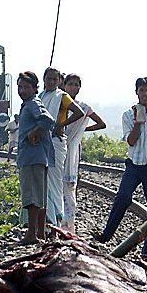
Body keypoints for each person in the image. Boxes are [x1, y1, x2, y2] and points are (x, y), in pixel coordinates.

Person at [96, 77, 147, 259]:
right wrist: (138, 122)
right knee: (122, 198)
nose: (145, 94)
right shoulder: (127, 115)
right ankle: (106, 236)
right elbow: (131, 141)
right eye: (141, 90)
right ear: (136, 92)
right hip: (134, 164)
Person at [39, 68, 85, 227]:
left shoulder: (62, 96)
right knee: (44, 182)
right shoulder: (41, 96)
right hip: (43, 142)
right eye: (48, 79)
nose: (51, 82)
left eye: (54, 79)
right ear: (44, 79)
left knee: (55, 182)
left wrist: (61, 125)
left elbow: (79, 112)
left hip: (56, 142)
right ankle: (48, 220)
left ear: (59, 81)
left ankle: (57, 221)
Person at [63, 73, 107, 234]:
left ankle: (68, 226)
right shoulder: (59, 102)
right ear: (65, 85)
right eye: (71, 84)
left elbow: (101, 124)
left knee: (69, 187)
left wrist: (83, 130)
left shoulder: (84, 107)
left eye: (76, 84)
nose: (74, 87)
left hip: (72, 151)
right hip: (57, 150)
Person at [15, 71, 55, 245]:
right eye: (20, 86)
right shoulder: (28, 104)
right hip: (35, 156)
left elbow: (47, 120)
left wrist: (34, 132)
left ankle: (32, 233)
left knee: (32, 196)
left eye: (26, 87)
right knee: (39, 196)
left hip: (32, 156)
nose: (22, 90)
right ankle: (40, 233)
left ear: (34, 88)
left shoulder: (32, 103)